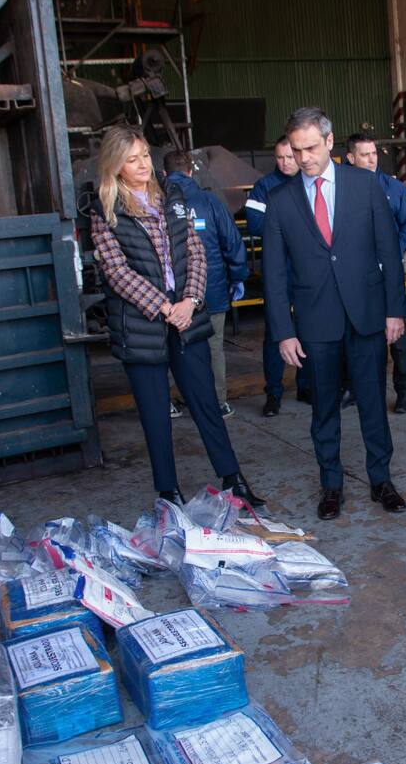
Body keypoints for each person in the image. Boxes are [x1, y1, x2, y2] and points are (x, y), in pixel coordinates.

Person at [89, 125, 265, 509]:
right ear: (115, 166)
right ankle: (168, 492)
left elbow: (196, 251)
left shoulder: (172, 196)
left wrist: (190, 300)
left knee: (206, 403)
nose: (142, 166)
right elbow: (117, 272)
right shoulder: (106, 211)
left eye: (144, 157)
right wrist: (164, 307)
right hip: (144, 324)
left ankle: (233, 480)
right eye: (131, 160)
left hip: (185, 315)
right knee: (156, 415)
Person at [262, 107, 406, 520]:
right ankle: (331, 485)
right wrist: (283, 332)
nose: (303, 157)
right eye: (296, 149)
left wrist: (394, 310)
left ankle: (381, 479)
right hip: (315, 322)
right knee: (323, 407)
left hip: (366, 314)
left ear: (328, 142)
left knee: (372, 403)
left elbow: (389, 251)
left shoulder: (365, 185)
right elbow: (273, 274)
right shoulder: (281, 200)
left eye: (310, 148)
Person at [164, 151, 248, 418]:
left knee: (168, 348)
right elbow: (233, 244)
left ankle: (168, 403)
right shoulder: (210, 202)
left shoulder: (158, 204)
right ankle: (218, 402)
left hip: (171, 295)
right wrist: (237, 277)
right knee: (213, 348)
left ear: (164, 174)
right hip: (211, 288)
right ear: (191, 171)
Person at [346, 132, 406, 414]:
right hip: (355, 276)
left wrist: (389, 255)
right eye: (364, 154)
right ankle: (356, 388)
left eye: (374, 153)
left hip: (389, 274)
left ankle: (403, 393)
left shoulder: (395, 189)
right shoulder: (342, 191)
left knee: (397, 336)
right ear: (350, 158)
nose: (372, 159)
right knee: (357, 334)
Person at [246, 136, 311, 417]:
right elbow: (256, 224)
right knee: (276, 333)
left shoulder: (309, 184)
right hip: (277, 271)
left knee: (309, 330)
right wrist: (294, 231)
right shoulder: (263, 188)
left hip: (308, 271)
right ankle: (273, 393)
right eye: (280, 158)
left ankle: (305, 386)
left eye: (290, 157)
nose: (286, 162)